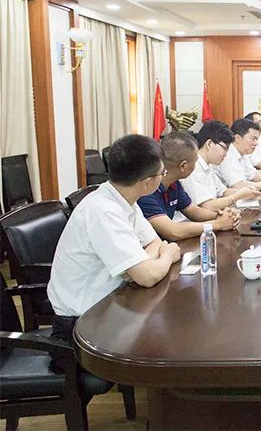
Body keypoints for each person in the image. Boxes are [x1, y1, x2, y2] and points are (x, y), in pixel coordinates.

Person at [47, 134, 182, 355]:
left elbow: (154, 242)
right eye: (162, 173)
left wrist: (141, 266)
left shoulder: (123, 198)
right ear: (147, 182)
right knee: (169, 342)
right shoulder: (103, 211)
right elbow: (148, 275)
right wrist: (166, 255)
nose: (163, 177)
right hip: (82, 328)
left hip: (111, 307)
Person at [137, 132, 240, 241]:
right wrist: (217, 224)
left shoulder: (174, 183)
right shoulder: (147, 189)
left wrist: (222, 215)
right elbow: (173, 231)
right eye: (195, 161)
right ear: (183, 166)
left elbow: (193, 211)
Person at [179, 120, 261, 213]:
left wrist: (246, 192)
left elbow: (223, 191)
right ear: (209, 144)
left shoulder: (208, 166)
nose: (226, 154)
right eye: (225, 148)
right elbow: (207, 206)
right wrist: (237, 196)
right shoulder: (194, 168)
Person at [217, 118, 261, 189]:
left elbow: (253, 175)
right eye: (253, 139)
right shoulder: (228, 155)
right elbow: (238, 185)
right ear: (237, 138)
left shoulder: (243, 153)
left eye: (256, 139)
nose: (256, 143)